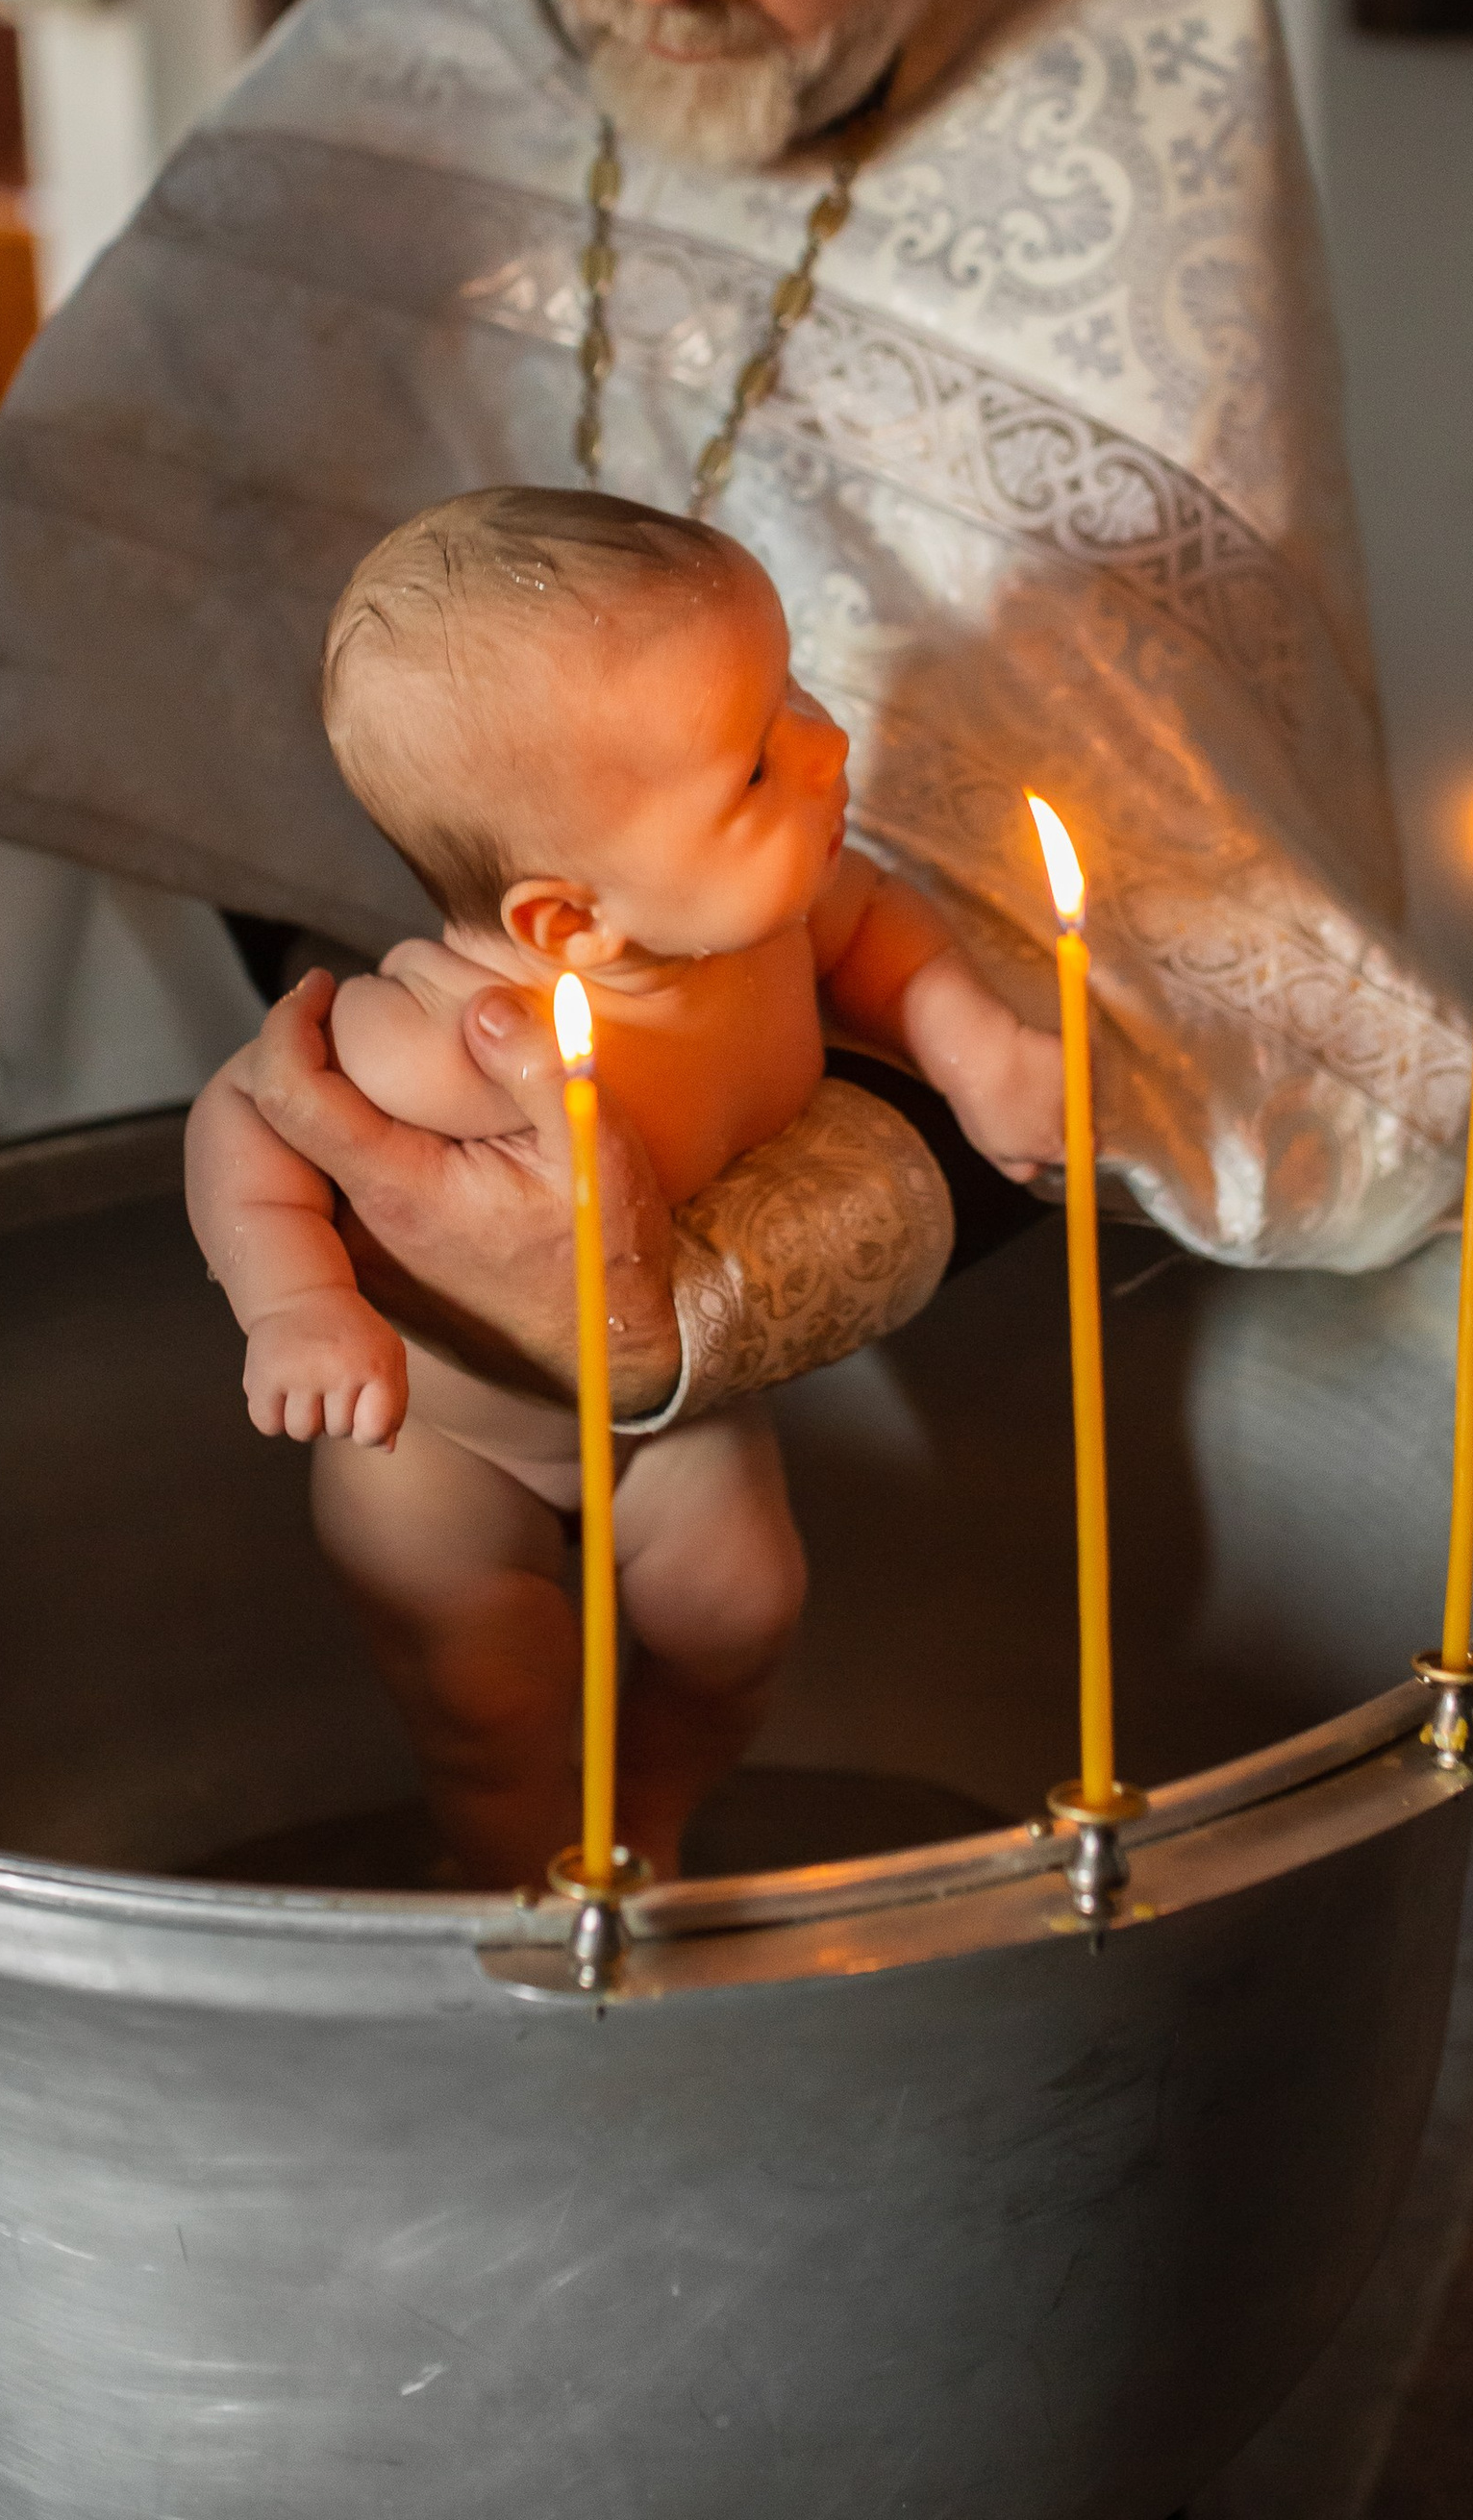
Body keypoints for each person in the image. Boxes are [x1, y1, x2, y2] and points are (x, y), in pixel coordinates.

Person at [0, 0, 1473, 2516]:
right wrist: (409, 1118)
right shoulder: (427, 76)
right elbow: (166, 628)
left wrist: (856, 1115)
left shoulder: (1123, 176)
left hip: (953, 1316)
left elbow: (1153, 866)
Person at [191, 484, 1063, 1878]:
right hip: (449, 1446)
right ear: (565, 922)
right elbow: (248, 1112)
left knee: (744, 1615)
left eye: (794, 694)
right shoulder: (448, 1045)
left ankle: (647, 1817)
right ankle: (517, 1877)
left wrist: (981, 1054)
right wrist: (294, 1303)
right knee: (493, 1702)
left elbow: (880, 935)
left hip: (664, 1414)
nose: (829, 744)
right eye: (758, 768)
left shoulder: (761, 918)